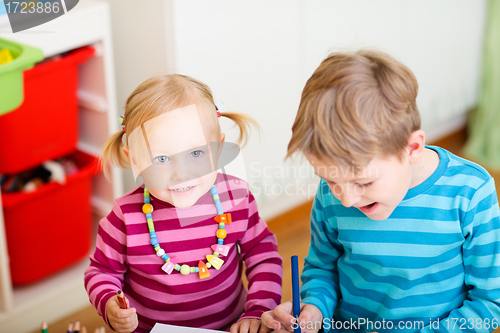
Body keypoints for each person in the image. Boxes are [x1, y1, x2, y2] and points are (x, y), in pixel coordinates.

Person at [261, 50, 500, 333]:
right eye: (331, 179)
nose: (346, 199)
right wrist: (314, 310)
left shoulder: (470, 193)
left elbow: (489, 305)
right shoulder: (331, 194)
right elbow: (323, 269)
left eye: (363, 183)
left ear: (411, 148)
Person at [85, 74, 283, 333]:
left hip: (232, 327)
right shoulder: (125, 217)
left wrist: (258, 310)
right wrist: (111, 304)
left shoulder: (236, 198)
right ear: (134, 160)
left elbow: (263, 255)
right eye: (162, 159)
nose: (182, 173)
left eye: (197, 153)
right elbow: (101, 272)